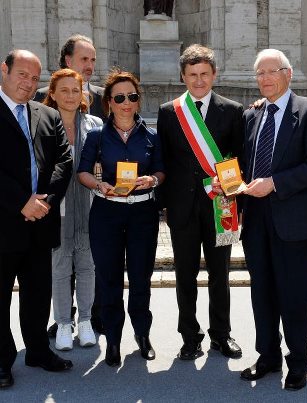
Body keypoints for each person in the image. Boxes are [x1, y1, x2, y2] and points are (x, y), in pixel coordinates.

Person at [239, 49, 307, 390]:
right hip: (256, 222)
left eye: (271, 72)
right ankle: (267, 357)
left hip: (293, 222)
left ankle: (298, 362)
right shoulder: (253, 115)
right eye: (259, 73)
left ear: (288, 74)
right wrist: (230, 182)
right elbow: (245, 163)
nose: (264, 79)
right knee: (262, 293)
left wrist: (274, 184)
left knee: (294, 295)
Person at [157, 44, 243, 360]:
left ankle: (221, 335)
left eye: (204, 74)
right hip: (182, 209)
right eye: (192, 75)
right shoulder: (169, 112)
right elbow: (163, 160)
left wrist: (231, 188)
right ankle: (190, 336)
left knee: (220, 274)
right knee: (185, 275)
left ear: (214, 75)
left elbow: (238, 157)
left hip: (221, 206)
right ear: (183, 76)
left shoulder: (233, 110)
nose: (199, 80)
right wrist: (164, 205)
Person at [77, 69, 165, 366]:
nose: (127, 102)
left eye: (132, 96)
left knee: (141, 278)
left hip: (143, 213)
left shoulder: (152, 134)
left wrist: (151, 180)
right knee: (109, 279)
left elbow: (161, 170)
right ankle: (113, 339)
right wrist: (99, 184)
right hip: (107, 213)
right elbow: (83, 172)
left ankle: (143, 334)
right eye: (120, 97)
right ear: (109, 103)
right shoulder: (97, 135)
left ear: (138, 101)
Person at [0, 50, 73, 389]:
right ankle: (1, 360)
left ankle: (38, 351)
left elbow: (64, 160)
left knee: (38, 292)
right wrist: (21, 202)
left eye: (33, 78)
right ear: (5, 70)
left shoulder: (47, 114)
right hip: (4, 222)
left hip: (40, 221)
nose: (28, 84)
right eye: (22, 75)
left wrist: (43, 202)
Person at [35, 34, 106, 338]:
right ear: (52, 92)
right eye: (63, 90)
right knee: (60, 263)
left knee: (87, 262)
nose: (69, 95)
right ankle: (64, 321)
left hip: (89, 203)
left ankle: (87, 320)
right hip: (56, 204)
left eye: (74, 90)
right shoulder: (40, 121)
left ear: (82, 93)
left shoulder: (95, 124)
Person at [35, 34, 105, 120]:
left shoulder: (105, 96)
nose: (90, 66)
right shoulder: (43, 95)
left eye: (93, 60)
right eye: (84, 59)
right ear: (68, 61)